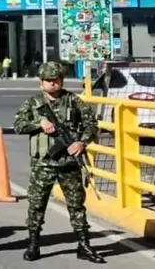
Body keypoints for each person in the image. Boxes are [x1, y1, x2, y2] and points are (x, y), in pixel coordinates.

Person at [13, 61, 105, 263]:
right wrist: (39, 123)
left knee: (76, 205)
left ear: (61, 80)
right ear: (41, 82)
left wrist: (81, 142)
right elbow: (18, 125)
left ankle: (84, 245)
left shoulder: (74, 101)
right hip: (43, 164)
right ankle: (33, 244)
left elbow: (92, 125)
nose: (52, 84)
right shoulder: (33, 103)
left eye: (56, 80)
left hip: (69, 163)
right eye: (48, 80)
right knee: (36, 205)